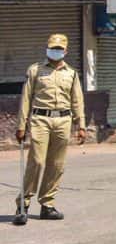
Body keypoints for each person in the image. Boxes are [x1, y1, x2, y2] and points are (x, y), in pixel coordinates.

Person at [14, 34, 86, 226]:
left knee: (56, 165)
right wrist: (21, 125)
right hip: (40, 119)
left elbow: (77, 99)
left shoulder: (71, 73)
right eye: (53, 47)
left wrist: (81, 125)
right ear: (47, 48)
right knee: (36, 161)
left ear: (65, 51)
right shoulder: (35, 70)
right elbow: (26, 98)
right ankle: (23, 204)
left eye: (59, 48)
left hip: (63, 121)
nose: (56, 51)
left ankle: (47, 205)